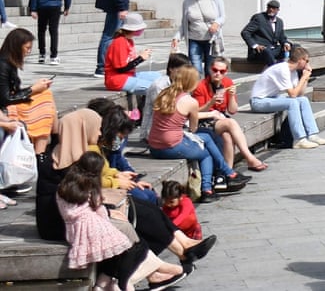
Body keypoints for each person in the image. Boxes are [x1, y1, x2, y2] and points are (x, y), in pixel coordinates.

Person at [36, 109, 217, 268]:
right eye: (96, 127)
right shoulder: (65, 162)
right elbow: (84, 195)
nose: (99, 132)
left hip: (80, 214)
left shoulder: (72, 154)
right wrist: (114, 190)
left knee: (144, 207)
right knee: (136, 213)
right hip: (62, 223)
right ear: (84, 128)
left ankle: (184, 245)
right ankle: (180, 253)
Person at [57, 151, 186, 291]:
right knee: (134, 244)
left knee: (125, 246)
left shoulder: (64, 186)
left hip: (74, 230)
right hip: (92, 227)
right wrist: (109, 213)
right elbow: (98, 209)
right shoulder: (90, 185)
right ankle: (133, 278)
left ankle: (107, 282)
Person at [147, 65, 248, 203]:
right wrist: (210, 114)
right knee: (206, 152)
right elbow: (193, 129)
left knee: (206, 137)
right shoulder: (190, 101)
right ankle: (207, 189)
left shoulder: (164, 94)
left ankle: (230, 173)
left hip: (154, 146)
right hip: (171, 146)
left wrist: (210, 113)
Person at [192, 55, 268, 171]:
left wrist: (232, 96)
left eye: (221, 71)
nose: (218, 73)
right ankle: (249, 158)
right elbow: (197, 112)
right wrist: (211, 102)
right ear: (210, 69)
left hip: (221, 118)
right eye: (215, 70)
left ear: (226, 72)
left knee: (227, 136)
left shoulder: (227, 83)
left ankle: (228, 171)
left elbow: (232, 110)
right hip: (205, 119)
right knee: (231, 123)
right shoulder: (201, 86)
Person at [249, 45, 325, 149]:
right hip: (258, 101)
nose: (308, 64)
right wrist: (303, 78)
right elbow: (293, 94)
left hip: (271, 98)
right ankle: (299, 139)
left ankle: (312, 135)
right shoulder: (283, 69)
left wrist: (306, 78)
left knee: (303, 100)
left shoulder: (293, 72)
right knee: (292, 102)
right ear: (300, 60)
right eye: (307, 61)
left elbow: (300, 94)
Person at [0, 27, 57, 153]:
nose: (28, 52)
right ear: (16, 47)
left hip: (9, 102)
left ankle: (45, 146)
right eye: (27, 48)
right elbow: (6, 98)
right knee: (45, 103)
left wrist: (36, 88)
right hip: (5, 106)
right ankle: (40, 152)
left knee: (45, 94)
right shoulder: (3, 65)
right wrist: (33, 89)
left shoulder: (9, 62)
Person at [171, 0, 225, 75]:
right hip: (194, 40)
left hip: (211, 40)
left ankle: (209, 90)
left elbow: (222, 17)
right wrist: (177, 37)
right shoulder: (188, 1)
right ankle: (197, 89)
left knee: (211, 69)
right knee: (196, 70)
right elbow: (184, 23)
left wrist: (216, 23)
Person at [102, 13, 162, 97]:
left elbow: (127, 60)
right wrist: (140, 58)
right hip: (117, 79)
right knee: (154, 87)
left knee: (159, 77)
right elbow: (121, 69)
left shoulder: (129, 41)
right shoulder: (120, 42)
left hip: (129, 75)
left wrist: (140, 55)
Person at [240, 0, 290, 67]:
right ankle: (274, 70)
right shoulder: (259, 18)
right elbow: (245, 32)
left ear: (278, 10)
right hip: (260, 51)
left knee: (295, 47)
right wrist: (255, 45)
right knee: (266, 51)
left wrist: (285, 43)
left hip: (273, 49)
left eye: (273, 8)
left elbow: (282, 37)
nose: (270, 9)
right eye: (269, 7)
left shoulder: (279, 22)